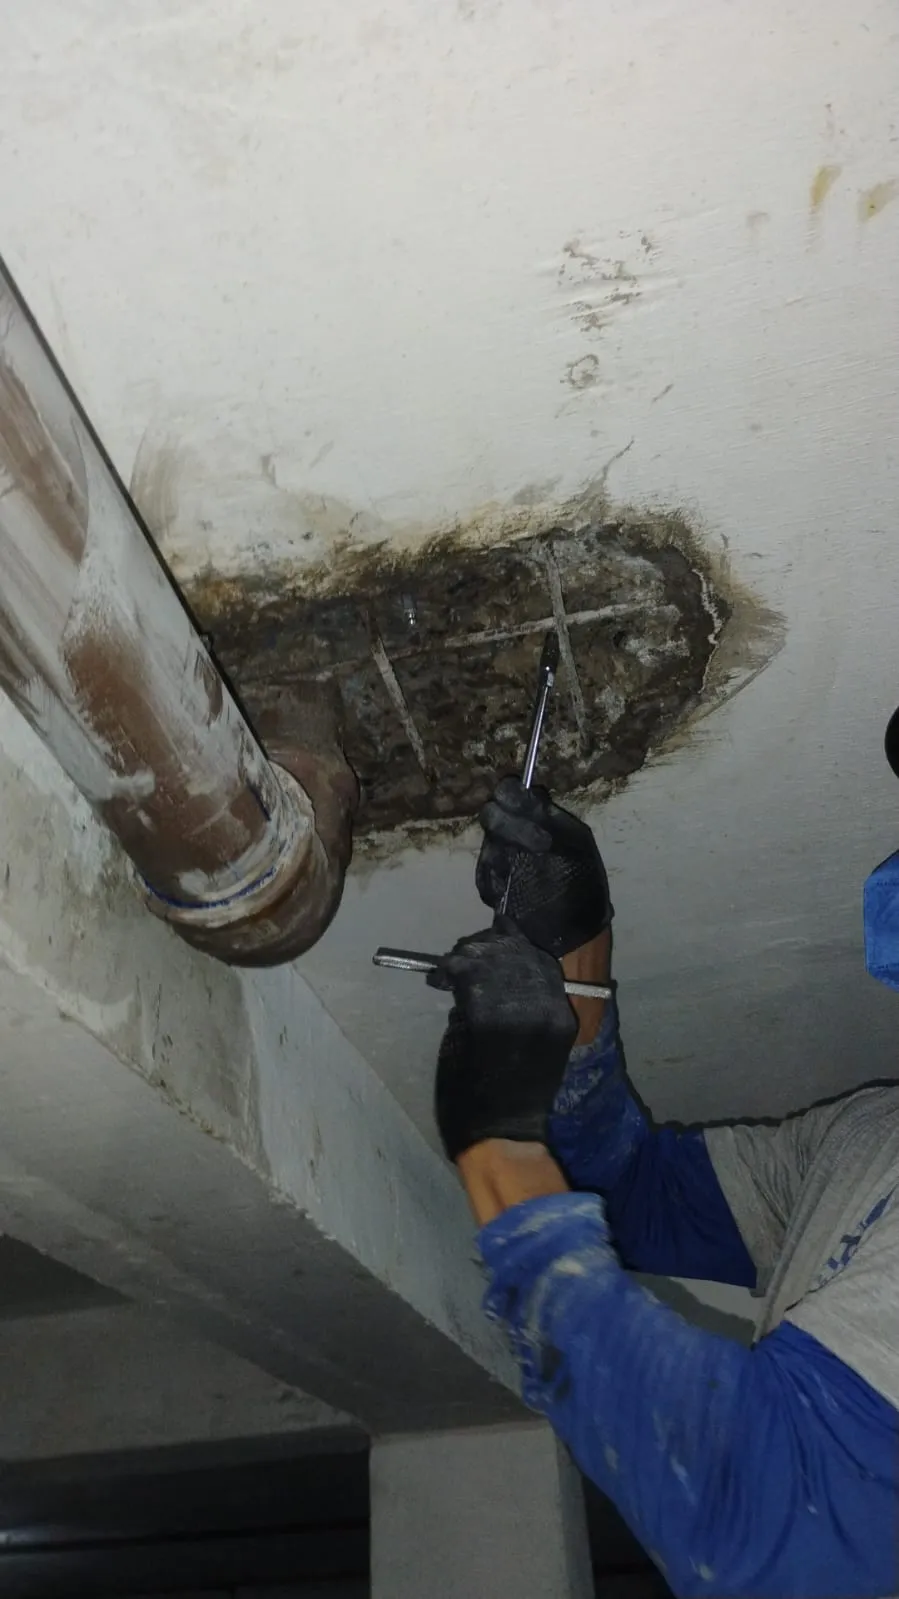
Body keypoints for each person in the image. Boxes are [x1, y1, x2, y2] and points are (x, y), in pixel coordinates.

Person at [429, 777, 899, 1599]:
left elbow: (763, 1521)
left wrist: (495, 1140)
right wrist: (575, 947)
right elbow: (634, 1198)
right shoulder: (874, 1131)